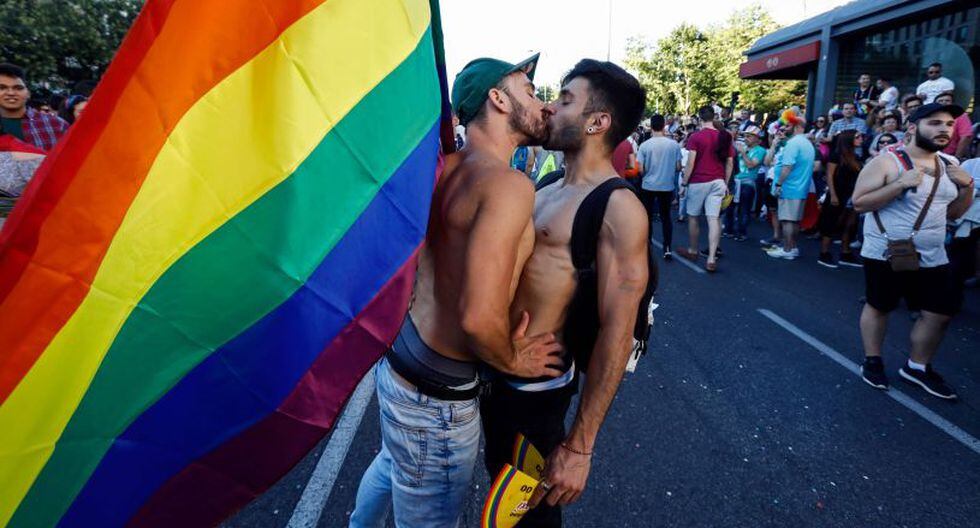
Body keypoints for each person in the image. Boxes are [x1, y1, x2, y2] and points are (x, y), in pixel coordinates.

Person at [349, 54, 565, 528]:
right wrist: (512, 359)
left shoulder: (442, 166)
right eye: (529, 91)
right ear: (498, 99)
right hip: (438, 401)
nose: (544, 105)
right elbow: (476, 317)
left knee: (392, 463)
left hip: (402, 362)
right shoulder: (509, 187)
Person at [481, 59, 649, 528]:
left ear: (598, 122)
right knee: (497, 499)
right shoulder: (549, 184)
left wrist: (579, 446)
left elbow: (619, 332)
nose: (551, 107)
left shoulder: (619, 207)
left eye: (566, 99)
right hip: (494, 373)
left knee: (526, 518)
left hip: (535, 394)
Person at [853, 102, 975, 400]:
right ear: (912, 127)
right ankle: (873, 360)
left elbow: (954, 213)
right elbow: (859, 203)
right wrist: (899, 185)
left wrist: (968, 188)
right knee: (880, 306)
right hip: (888, 251)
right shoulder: (887, 162)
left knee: (940, 313)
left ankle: (917, 367)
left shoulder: (949, 164)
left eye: (948, 124)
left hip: (934, 253)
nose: (944, 129)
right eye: (934, 123)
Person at [677, 105, 734, 272]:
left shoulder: (696, 137)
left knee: (693, 216)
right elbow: (730, 162)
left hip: (699, 181)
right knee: (713, 218)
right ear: (714, 116)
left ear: (700, 118)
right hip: (718, 181)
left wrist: (684, 183)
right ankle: (711, 258)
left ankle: (693, 250)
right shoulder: (724, 137)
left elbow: (691, 163)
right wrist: (725, 181)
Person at [766, 109, 815, 260]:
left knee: (787, 220)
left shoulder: (794, 144)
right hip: (800, 188)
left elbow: (787, 167)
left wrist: (779, 184)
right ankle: (792, 247)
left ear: (796, 126)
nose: (785, 128)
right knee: (793, 220)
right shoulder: (806, 143)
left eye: (788, 126)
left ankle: (788, 249)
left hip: (790, 188)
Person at [817, 130, 865, 268]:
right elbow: (830, 175)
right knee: (831, 222)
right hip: (838, 194)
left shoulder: (855, 156)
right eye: (857, 137)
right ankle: (824, 253)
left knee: (849, 225)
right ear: (849, 139)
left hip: (852, 195)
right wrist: (833, 194)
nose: (860, 139)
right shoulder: (837, 155)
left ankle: (846, 252)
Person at [638, 114, 682, 258]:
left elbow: (640, 169)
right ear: (664, 126)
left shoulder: (644, 145)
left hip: (648, 185)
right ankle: (667, 247)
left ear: (651, 127)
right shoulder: (674, 145)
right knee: (666, 217)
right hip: (666, 185)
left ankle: (647, 243)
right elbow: (678, 167)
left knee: (647, 216)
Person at [0, 63, 68, 152]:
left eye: (18, 88)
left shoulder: (57, 125)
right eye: (2, 88)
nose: (11, 93)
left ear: (28, 93)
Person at [726, 125, 765, 241]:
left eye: (749, 136)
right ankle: (728, 230)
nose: (746, 138)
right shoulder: (741, 147)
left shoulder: (761, 150)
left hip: (747, 182)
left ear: (757, 139)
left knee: (744, 208)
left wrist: (743, 153)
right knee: (729, 206)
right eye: (745, 135)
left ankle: (741, 232)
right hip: (735, 180)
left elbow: (751, 165)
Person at [934, 91, 972, 160]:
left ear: (952, 103)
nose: (944, 102)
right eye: (940, 101)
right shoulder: (930, 117)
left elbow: (965, 137)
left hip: (951, 156)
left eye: (947, 100)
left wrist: (956, 158)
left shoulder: (961, 116)